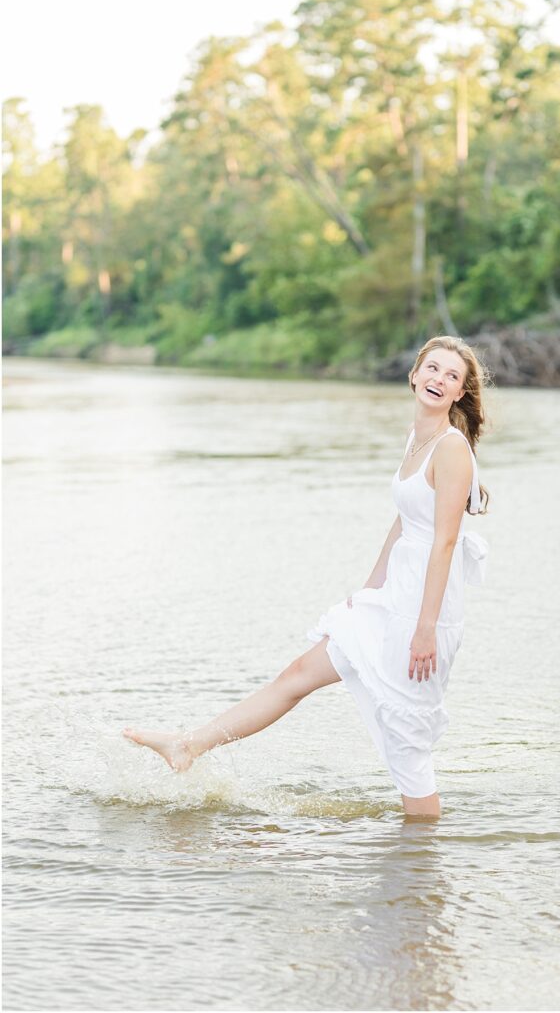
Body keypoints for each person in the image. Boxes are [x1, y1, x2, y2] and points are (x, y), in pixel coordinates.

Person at [123, 335, 491, 819]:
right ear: (414, 374)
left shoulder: (451, 450)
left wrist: (424, 628)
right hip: (394, 599)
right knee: (298, 675)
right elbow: (404, 524)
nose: (439, 380)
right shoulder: (416, 438)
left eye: (452, 376)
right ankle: (188, 746)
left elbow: (443, 542)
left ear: (461, 392)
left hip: (424, 612)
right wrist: (368, 590)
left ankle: (423, 867)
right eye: (433, 369)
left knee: (408, 748)